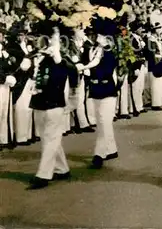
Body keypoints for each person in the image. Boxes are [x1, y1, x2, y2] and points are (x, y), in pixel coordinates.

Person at [27, 25, 71, 189]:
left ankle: (43, 174)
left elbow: (67, 72)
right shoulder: (39, 56)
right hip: (39, 101)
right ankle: (62, 168)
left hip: (54, 103)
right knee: (47, 138)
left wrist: (57, 56)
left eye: (54, 38)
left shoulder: (62, 58)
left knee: (51, 138)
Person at [77, 22, 119, 169]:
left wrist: (86, 67)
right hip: (95, 88)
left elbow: (103, 67)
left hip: (107, 89)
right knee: (101, 121)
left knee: (104, 121)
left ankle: (99, 154)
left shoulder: (109, 53)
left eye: (100, 35)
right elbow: (84, 62)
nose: (96, 37)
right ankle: (111, 149)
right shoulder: (90, 50)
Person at [0, 23, 16, 150]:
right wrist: (4, 78)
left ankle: (3, 139)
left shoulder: (3, 50)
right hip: (1, 83)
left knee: (4, 113)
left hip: (5, 85)